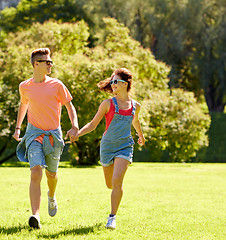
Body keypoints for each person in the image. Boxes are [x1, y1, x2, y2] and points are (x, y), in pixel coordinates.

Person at [13, 48, 79, 229]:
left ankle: (51, 195)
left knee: (52, 175)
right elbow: (23, 105)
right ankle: (35, 216)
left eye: (51, 62)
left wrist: (74, 126)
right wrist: (18, 128)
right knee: (36, 172)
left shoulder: (57, 85)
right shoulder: (24, 86)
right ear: (36, 64)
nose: (50, 64)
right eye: (47, 62)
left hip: (54, 136)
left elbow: (69, 106)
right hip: (34, 134)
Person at [73, 68, 145, 230]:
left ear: (125, 84)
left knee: (117, 181)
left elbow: (135, 122)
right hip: (107, 146)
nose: (112, 84)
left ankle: (112, 217)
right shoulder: (107, 104)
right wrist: (78, 133)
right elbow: (93, 125)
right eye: (111, 81)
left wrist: (141, 136)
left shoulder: (135, 106)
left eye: (115, 81)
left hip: (125, 146)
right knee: (110, 184)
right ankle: (115, 193)